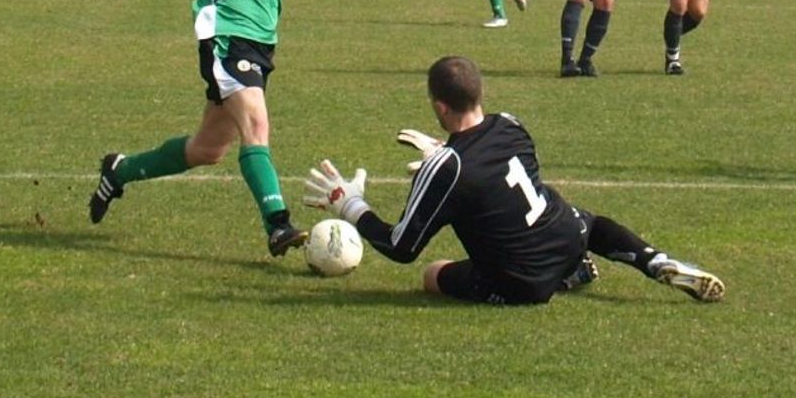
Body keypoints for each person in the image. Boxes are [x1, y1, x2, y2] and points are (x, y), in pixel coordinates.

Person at [304, 55, 726, 306]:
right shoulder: (510, 124)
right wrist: (443, 152)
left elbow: (401, 248)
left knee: (434, 274)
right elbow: (490, 173)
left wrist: (350, 203)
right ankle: (653, 261)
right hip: (565, 233)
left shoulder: (446, 167)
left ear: (438, 104)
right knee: (591, 223)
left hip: (522, 281)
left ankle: (563, 277)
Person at [88, 0, 344, 257]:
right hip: (225, 35)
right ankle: (278, 224)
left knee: (207, 150)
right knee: (256, 126)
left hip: (262, 44)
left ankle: (120, 170)